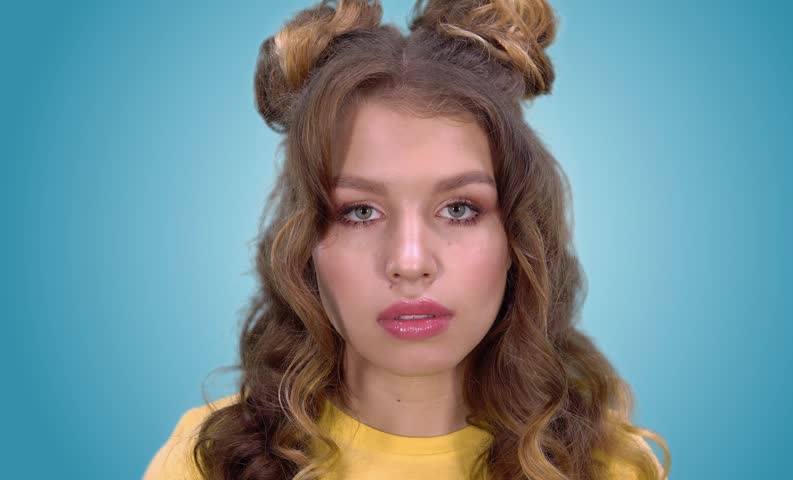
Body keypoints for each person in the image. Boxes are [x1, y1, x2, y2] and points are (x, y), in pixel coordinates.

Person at [143, 0, 671, 478]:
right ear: (304, 243)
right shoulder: (206, 463)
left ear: (518, 237)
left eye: (460, 209)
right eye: (360, 212)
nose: (410, 262)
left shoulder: (610, 467)